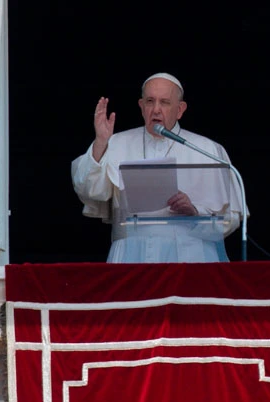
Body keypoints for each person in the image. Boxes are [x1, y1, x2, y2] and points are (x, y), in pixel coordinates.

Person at [71, 73, 247, 263]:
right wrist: (101, 142)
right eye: (150, 101)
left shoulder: (207, 149)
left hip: (192, 256)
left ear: (180, 109)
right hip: (131, 255)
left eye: (164, 102)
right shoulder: (117, 142)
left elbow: (232, 219)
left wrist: (195, 212)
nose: (156, 109)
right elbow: (90, 190)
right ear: (141, 106)